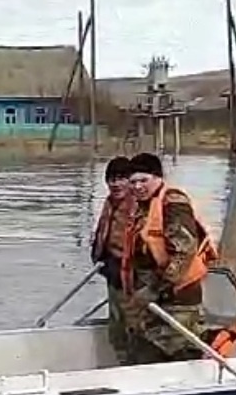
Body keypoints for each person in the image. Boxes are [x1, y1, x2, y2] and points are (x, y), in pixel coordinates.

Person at [121, 152, 218, 364]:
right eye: (133, 182)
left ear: (158, 178)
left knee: (178, 354)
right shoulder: (141, 208)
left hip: (177, 299)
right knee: (144, 352)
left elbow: (184, 251)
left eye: (143, 180)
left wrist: (155, 289)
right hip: (153, 300)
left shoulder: (173, 203)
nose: (138, 186)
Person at [90, 155, 135, 361]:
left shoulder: (137, 205)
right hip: (111, 272)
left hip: (132, 277)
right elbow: (103, 232)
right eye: (111, 179)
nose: (115, 184)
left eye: (121, 178)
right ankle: (121, 359)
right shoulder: (109, 203)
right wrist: (98, 256)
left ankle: (133, 363)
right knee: (116, 323)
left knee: (132, 324)